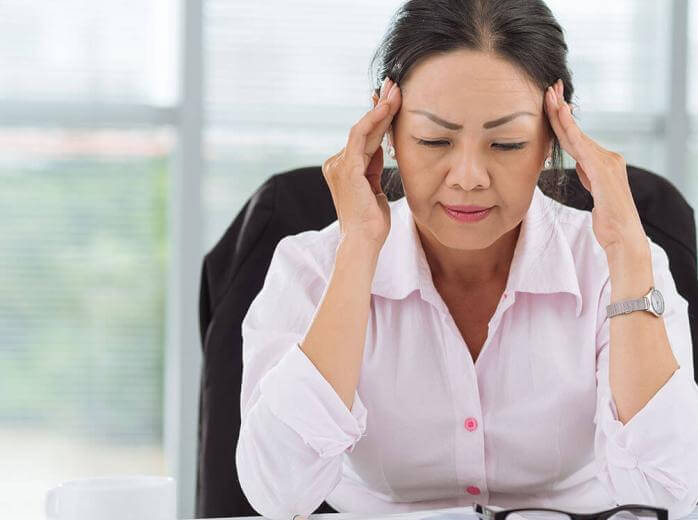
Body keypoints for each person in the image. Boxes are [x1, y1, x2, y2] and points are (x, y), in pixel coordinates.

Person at [235, 1, 698, 520]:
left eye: (506, 143)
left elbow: (667, 493)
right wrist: (358, 250)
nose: (469, 176)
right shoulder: (312, 268)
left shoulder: (617, 267)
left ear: (552, 140)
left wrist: (628, 254)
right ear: (386, 133)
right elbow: (277, 494)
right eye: (435, 140)